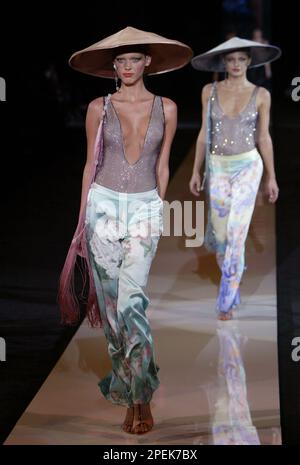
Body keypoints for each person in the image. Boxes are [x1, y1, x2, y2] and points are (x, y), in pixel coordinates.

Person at [57, 26, 192, 434]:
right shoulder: (99, 107)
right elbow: (89, 166)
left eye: (134, 59)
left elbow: (164, 163)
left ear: (148, 61)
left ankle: (141, 396)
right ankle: (126, 385)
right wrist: (82, 221)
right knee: (114, 315)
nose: (128, 66)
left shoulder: (167, 107)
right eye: (120, 61)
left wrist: (156, 208)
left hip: (145, 207)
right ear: (113, 67)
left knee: (133, 305)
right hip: (102, 205)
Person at [189, 37, 281, 321]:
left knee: (237, 233)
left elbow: (263, 137)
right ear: (223, 63)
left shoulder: (261, 94)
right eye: (231, 59)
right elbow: (205, 132)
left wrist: (271, 176)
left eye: (242, 59)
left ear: (250, 62)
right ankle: (234, 278)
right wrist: (196, 169)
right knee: (220, 236)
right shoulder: (209, 91)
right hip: (217, 167)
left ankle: (226, 298)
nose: (237, 64)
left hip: (248, 166)